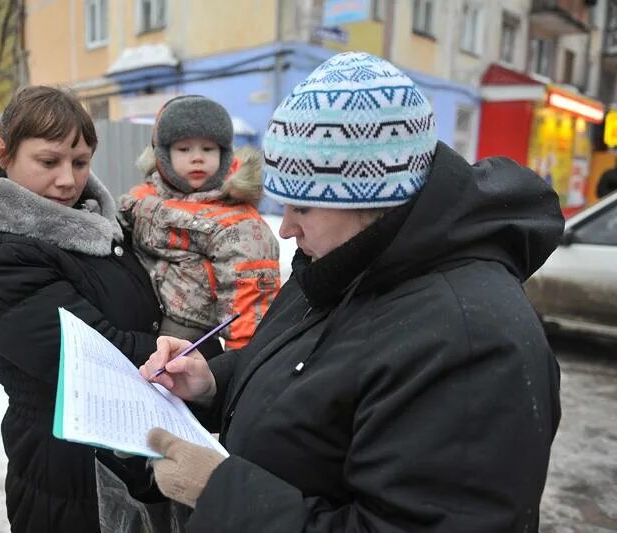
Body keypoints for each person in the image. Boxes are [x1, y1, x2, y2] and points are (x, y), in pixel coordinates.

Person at [138, 52, 564, 531]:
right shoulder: (344, 258)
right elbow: (309, 367)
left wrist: (223, 493)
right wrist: (212, 382)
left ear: (375, 198)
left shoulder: (472, 343)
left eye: (303, 205)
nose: (287, 229)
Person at [0, 86, 162, 532]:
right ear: (4, 152)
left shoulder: (87, 226)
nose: (68, 181)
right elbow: (100, 357)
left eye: (80, 162)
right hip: (66, 474)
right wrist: (205, 358)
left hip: (123, 456)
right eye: (49, 162)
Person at [118, 95, 281, 356]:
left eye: (208, 149)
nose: (197, 158)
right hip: (138, 315)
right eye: (184, 149)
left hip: (189, 332)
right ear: (163, 155)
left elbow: (250, 290)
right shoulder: (142, 199)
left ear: (224, 154)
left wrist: (243, 356)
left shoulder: (236, 220)